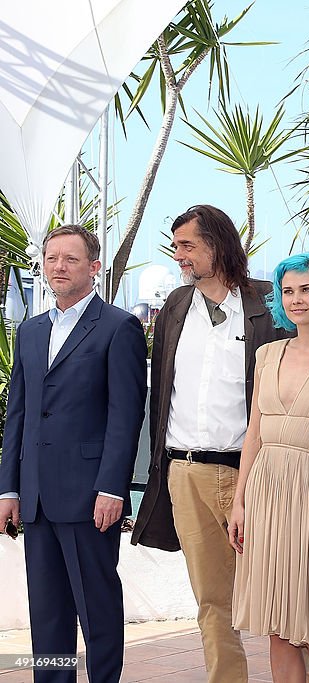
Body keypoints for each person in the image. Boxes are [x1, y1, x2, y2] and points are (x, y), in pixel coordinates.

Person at [132, 205, 291, 682]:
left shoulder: (267, 305)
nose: (178, 255)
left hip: (255, 474)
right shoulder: (175, 308)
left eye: (187, 246)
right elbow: (161, 390)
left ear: (217, 246)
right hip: (185, 474)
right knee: (211, 602)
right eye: (176, 245)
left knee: (281, 595)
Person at [0, 224, 147, 682]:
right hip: (38, 497)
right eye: (51, 258)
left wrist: (111, 487)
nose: (58, 267)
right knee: (47, 618)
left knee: (98, 611)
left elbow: (126, 417)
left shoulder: (119, 327)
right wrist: (9, 487)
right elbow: (19, 416)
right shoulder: (29, 331)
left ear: (94, 268)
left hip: (90, 498)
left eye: (71, 259)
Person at [228, 252, 309, 682]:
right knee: (277, 623)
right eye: (288, 291)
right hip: (266, 489)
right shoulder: (267, 355)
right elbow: (254, 434)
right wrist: (240, 502)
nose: (296, 299)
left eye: (307, 289)